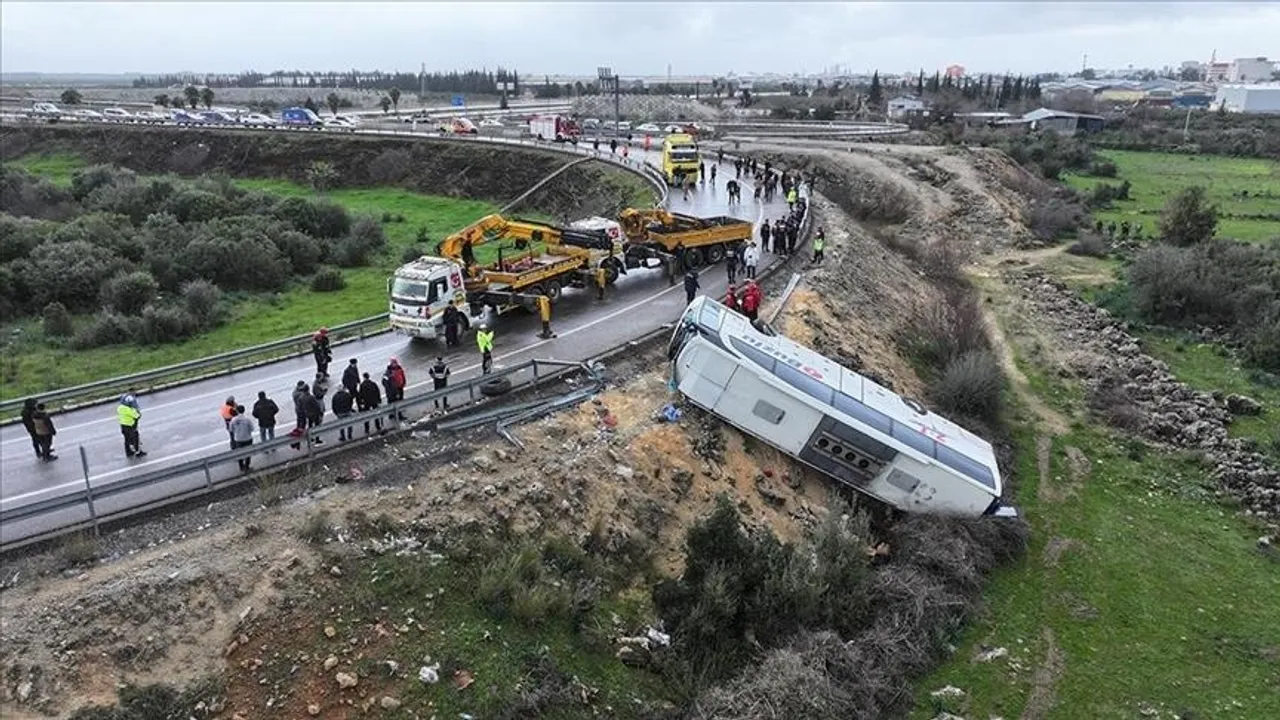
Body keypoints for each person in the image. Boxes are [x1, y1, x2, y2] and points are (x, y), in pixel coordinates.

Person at [117, 392, 145, 458]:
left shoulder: (120, 408)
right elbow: (137, 416)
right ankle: (138, 452)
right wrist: (137, 411)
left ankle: (128, 452)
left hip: (123, 426)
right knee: (135, 438)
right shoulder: (129, 409)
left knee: (127, 440)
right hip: (131, 426)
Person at [229, 405, 254, 472]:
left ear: (237, 411)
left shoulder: (233, 420)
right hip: (247, 438)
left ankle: (241, 467)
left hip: (238, 439)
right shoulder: (247, 419)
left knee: (239, 453)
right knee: (248, 453)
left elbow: (231, 429)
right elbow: (252, 428)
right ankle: (247, 466)